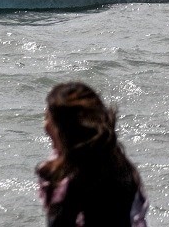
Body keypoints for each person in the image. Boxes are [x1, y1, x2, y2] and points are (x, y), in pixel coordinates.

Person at [36, 82, 149, 227]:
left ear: (65, 130)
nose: (45, 125)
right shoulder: (121, 167)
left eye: (47, 117)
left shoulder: (72, 181)